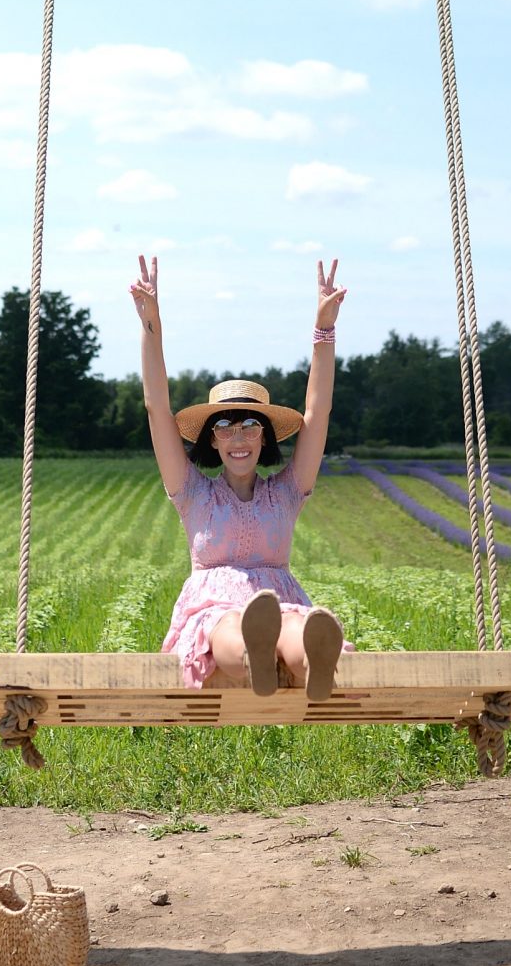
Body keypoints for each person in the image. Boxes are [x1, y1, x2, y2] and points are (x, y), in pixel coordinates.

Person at [130, 254, 348, 700]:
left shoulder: (286, 494)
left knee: (295, 625)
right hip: (217, 620)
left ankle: (310, 665)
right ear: (211, 441)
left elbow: (317, 411)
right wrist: (152, 325)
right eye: (225, 427)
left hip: (278, 605)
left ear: (265, 436)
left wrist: (323, 331)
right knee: (228, 625)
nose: (238, 436)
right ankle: (255, 660)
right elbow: (156, 408)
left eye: (250, 424)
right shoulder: (192, 494)